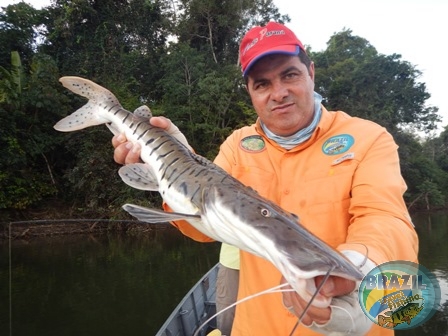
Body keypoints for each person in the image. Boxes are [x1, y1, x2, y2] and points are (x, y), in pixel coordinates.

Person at [112, 22, 418, 335]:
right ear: (251, 92)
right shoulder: (237, 144)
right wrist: (177, 164)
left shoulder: (368, 138)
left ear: (310, 72)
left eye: (289, 75)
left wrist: (361, 270)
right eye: (262, 84)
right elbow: (204, 228)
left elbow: (386, 218)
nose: (279, 93)